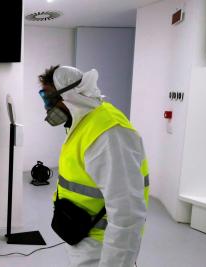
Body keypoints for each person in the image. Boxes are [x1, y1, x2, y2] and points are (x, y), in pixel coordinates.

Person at [38, 66, 149, 267]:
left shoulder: (109, 135)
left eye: (50, 99)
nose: (47, 107)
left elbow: (128, 213)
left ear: (69, 97)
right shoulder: (84, 122)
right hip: (82, 233)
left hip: (101, 245)